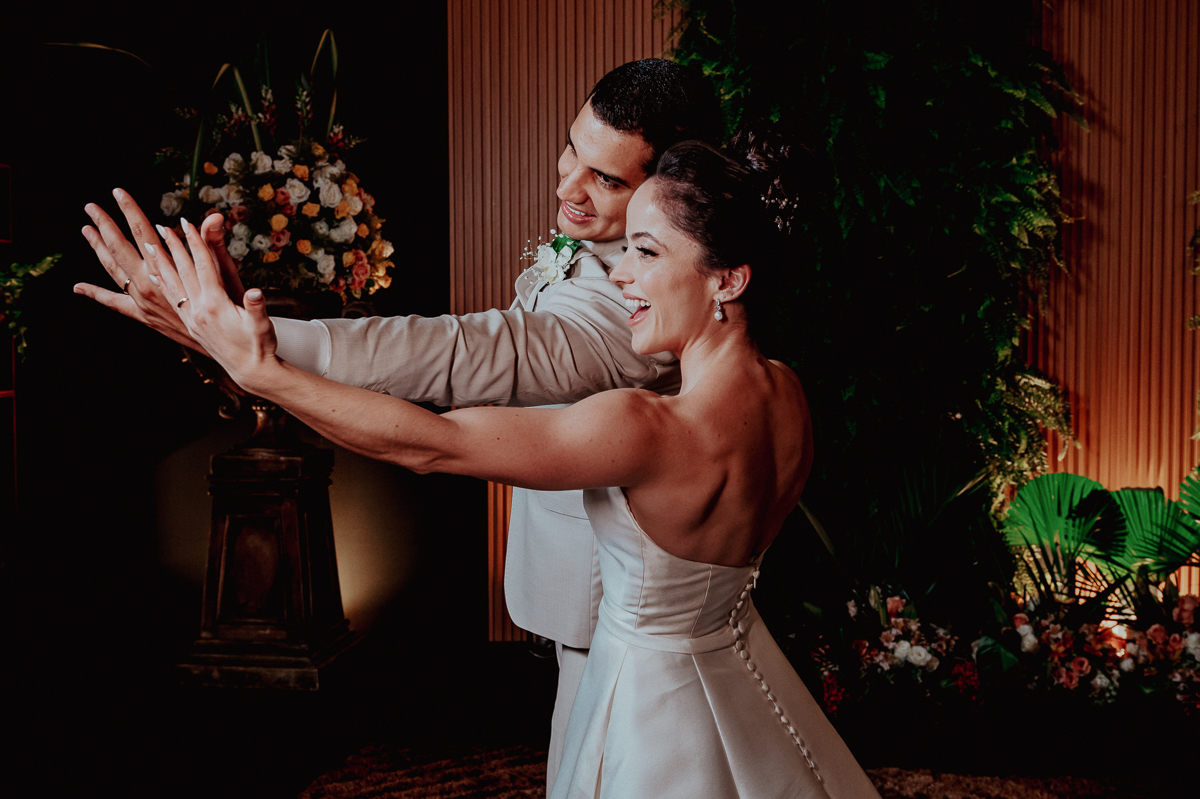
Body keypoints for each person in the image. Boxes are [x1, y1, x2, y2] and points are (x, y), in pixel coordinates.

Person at [112, 137, 880, 798]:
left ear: (728, 280)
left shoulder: (646, 429)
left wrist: (263, 372)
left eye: (646, 253)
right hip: (744, 680)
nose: (619, 276)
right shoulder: (788, 396)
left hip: (647, 708)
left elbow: (430, 443)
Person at [75, 58, 722, 792]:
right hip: (590, 581)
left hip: (617, 605)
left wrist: (256, 345)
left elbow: (474, 350)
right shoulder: (624, 255)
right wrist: (243, 328)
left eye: (608, 180)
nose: (568, 185)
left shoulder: (632, 315)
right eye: (573, 148)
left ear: (673, 194)